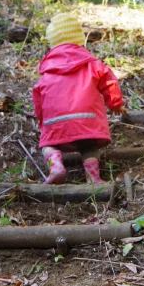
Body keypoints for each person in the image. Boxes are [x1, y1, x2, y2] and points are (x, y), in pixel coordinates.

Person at [32, 13, 125, 185]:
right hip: (87, 119)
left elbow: (38, 97)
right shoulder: (92, 63)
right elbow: (109, 81)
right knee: (89, 145)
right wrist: (115, 104)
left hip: (55, 120)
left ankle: (56, 166)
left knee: (48, 144)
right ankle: (93, 177)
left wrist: (42, 121)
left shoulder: (47, 71)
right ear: (79, 38)